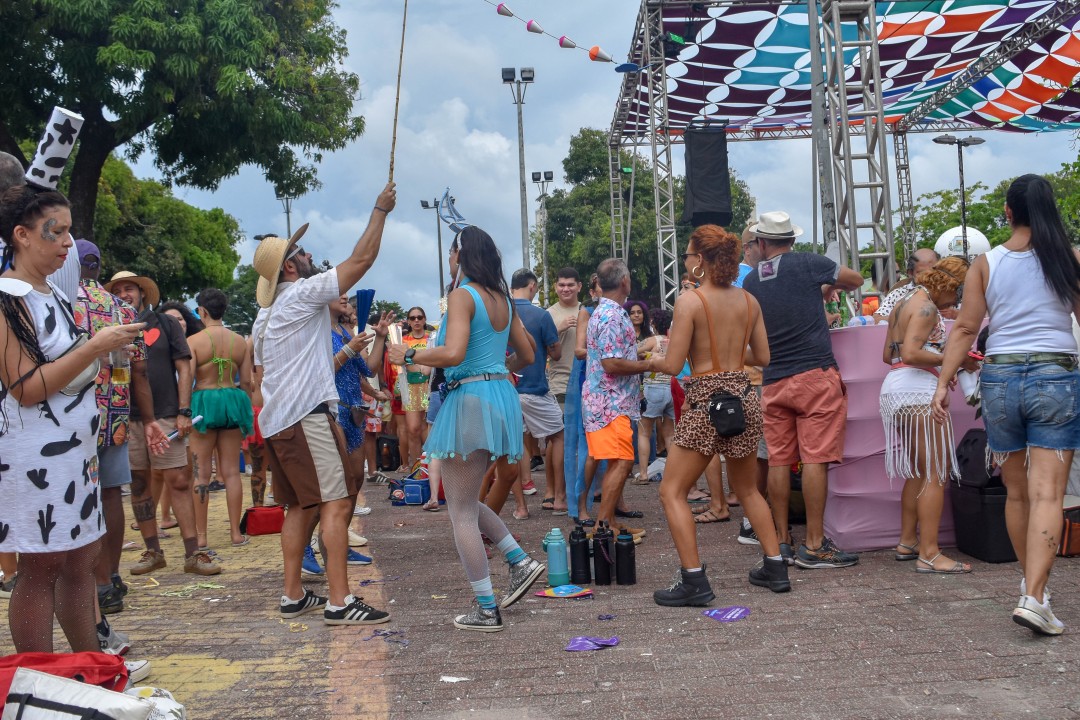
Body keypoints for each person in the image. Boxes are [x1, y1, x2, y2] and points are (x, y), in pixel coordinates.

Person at [932, 174, 1080, 636]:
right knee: (1048, 494)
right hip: (1055, 375)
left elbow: (963, 329)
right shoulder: (1069, 258)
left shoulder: (985, 262)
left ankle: (1034, 590)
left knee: (1016, 493)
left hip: (999, 377)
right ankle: (1034, 596)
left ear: (1009, 212)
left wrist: (943, 382)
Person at [0, 185, 145, 652]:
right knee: (41, 566)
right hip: (36, 455)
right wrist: (94, 348)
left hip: (76, 449)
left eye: (68, 231)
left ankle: (89, 664)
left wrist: (102, 357)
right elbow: (25, 387)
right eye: (56, 231)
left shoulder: (53, 295)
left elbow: (64, 367)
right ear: (21, 235)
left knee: (82, 558)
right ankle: (39, 682)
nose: (67, 243)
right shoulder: (7, 297)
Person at [252, 185, 395, 626]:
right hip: (306, 416)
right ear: (291, 266)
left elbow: (259, 371)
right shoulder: (299, 295)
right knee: (335, 503)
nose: (311, 254)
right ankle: (340, 600)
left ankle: (293, 595)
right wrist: (379, 210)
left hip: (278, 420)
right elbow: (362, 261)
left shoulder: (265, 314)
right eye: (302, 251)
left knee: (302, 506)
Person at [388, 226, 542, 632]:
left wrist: (411, 353)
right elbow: (526, 354)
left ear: (461, 255)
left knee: (458, 510)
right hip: (499, 400)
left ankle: (486, 608)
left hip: (469, 400)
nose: (450, 258)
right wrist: (496, 372)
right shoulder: (503, 299)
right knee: (466, 500)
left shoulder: (462, 295)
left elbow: (454, 352)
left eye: (452, 252)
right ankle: (518, 561)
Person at [648, 225, 782, 605]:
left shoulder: (691, 302)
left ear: (702, 261)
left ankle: (694, 581)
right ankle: (775, 565)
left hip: (705, 400)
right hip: (742, 395)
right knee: (748, 489)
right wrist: (732, 356)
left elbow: (674, 365)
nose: (686, 262)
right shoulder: (748, 301)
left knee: (671, 491)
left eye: (689, 256)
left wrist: (652, 360)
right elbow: (764, 357)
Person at [742, 211, 864, 568]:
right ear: (792, 241)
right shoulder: (810, 263)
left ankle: (781, 540)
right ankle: (814, 544)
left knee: (779, 459)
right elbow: (855, 279)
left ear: (762, 243)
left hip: (773, 380)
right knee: (814, 459)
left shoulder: (751, 281)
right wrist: (827, 286)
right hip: (814, 375)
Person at [105, 271, 217, 576]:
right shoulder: (109, 327)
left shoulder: (164, 323)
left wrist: (183, 410)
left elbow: (184, 366)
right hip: (125, 416)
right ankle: (153, 550)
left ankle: (194, 553)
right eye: (118, 290)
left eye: (130, 288)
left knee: (179, 480)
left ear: (142, 292)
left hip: (167, 413)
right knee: (139, 483)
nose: (125, 294)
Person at [73, 240, 159, 617]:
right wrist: (151, 419)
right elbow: (138, 371)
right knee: (111, 494)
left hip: (69, 419)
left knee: (78, 497)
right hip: (115, 417)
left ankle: (89, 581)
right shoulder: (123, 309)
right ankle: (110, 579)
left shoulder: (61, 304)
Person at [880, 256, 972, 575]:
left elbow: (887, 355)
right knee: (935, 470)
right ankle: (930, 553)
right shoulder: (926, 306)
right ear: (949, 286)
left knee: (919, 471)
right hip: (916, 390)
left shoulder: (905, 298)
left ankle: (909, 541)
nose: (957, 301)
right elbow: (910, 353)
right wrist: (953, 358)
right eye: (958, 293)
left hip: (897, 387)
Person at [582, 258, 650, 538]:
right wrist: (649, 364)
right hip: (610, 404)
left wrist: (638, 357)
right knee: (622, 462)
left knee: (617, 461)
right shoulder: (611, 315)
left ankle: (607, 522)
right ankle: (602, 526)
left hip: (610, 402)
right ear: (624, 281)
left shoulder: (608, 312)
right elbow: (611, 364)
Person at [187, 288, 254, 548]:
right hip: (232, 401)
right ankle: (236, 534)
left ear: (202, 311)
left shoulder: (194, 341)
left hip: (204, 400)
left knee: (200, 473)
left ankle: (201, 536)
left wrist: (183, 408)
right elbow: (246, 381)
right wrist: (244, 407)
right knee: (231, 473)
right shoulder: (239, 341)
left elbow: (188, 378)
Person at [510, 268, 566, 515]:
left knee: (512, 447)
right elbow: (556, 354)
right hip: (534, 388)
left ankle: (521, 508)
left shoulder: (500, 312)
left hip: (506, 388)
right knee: (558, 436)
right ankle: (559, 498)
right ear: (532, 287)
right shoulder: (541, 316)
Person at [634, 308, 674, 486]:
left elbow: (633, 352)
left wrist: (646, 355)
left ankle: (643, 474)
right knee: (670, 434)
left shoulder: (652, 340)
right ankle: (673, 474)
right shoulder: (675, 341)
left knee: (644, 432)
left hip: (653, 388)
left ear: (654, 324)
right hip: (672, 389)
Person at [400, 306, 432, 469]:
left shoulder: (431, 338)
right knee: (412, 429)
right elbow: (398, 364)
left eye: (420, 317)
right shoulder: (403, 341)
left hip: (429, 385)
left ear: (425, 319)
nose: (417, 320)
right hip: (410, 386)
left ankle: (432, 465)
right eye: (412, 318)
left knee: (428, 427)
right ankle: (416, 468)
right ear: (408, 321)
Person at [874, 247, 940, 323]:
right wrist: (908, 318)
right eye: (922, 273)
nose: (928, 278)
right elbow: (877, 319)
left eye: (933, 272)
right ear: (910, 273)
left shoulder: (947, 291)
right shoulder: (898, 294)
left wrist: (953, 314)